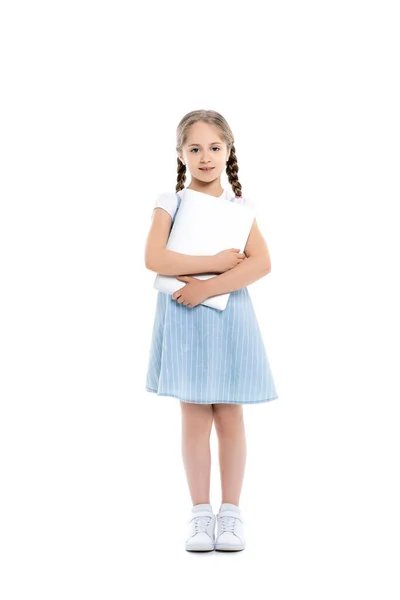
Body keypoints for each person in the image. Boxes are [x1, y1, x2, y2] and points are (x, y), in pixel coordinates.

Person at [144, 109, 278, 552]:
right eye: (195, 148)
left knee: (230, 415)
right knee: (195, 415)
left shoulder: (239, 210)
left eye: (215, 148)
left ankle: (232, 514)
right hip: (185, 319)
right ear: (180, 154)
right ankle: (201, 515)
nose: (205, 157)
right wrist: (215, 264)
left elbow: (261, 263)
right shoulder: (171, 202)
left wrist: (210, 288)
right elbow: (157, 260)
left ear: (228, 151)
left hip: (229, 315)